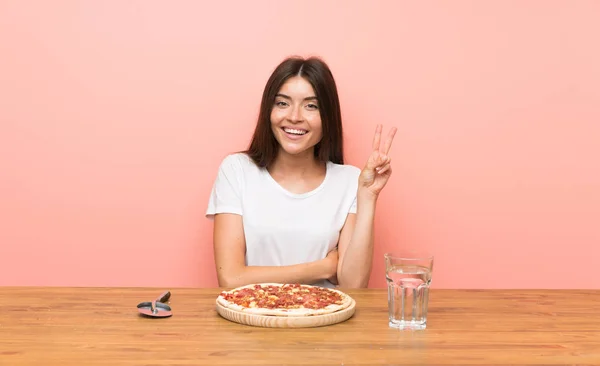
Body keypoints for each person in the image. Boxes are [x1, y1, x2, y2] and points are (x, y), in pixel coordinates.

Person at [206, 56, 396, 289]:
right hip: (255, 320)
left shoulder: (349, 181)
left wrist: (368, 197)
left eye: (311, 106)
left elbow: (353, 286)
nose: (294, 116)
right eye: (283, 103)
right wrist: (322, 268)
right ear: (269, 110)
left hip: (325, 321)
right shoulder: (236, 171)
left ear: (328, 117)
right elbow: (230, 279)